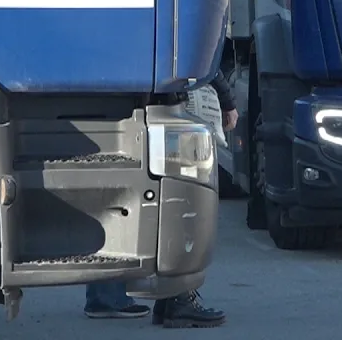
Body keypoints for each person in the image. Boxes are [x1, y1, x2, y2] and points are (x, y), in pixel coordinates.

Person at [83, 71, 239, 328]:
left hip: (122, 100)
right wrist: (226, 97)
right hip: (155, 103)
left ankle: (116, 296)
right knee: (177, 197)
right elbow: (196, 42)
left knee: (121, 196)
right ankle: (176, 298)